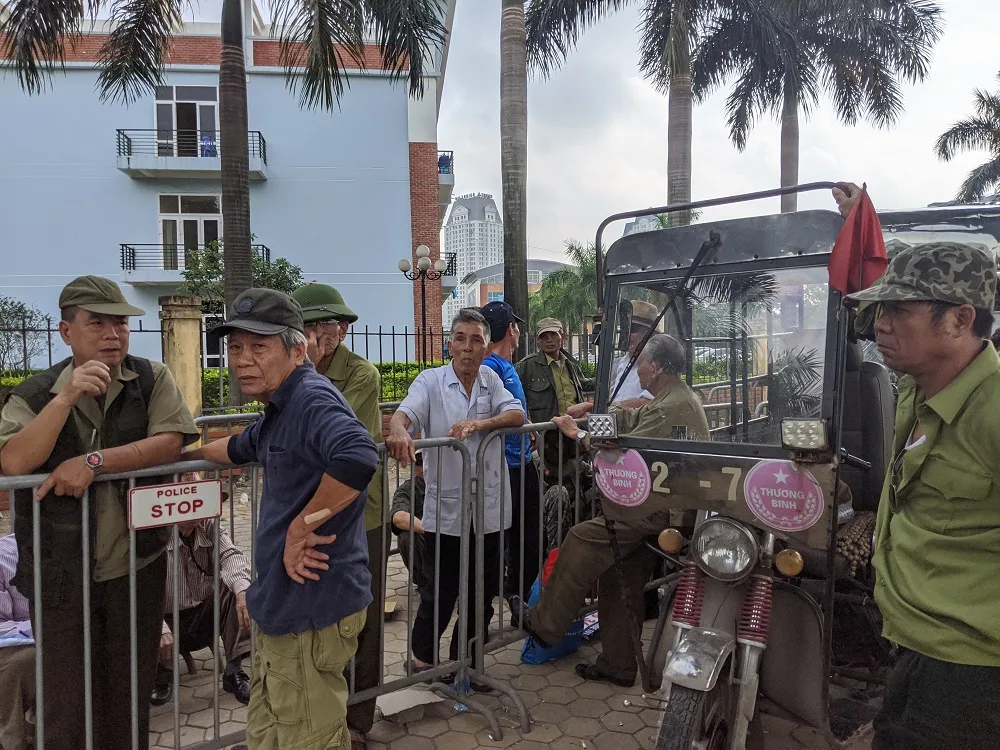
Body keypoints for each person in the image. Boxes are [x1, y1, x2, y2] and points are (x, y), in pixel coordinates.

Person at [0, 276, 199, 750]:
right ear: (66, 331)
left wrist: (94, 462)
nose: (113, 334)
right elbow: (14, 462)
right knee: (65, 702)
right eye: (98, 323)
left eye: (121, 323)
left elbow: (170, 441)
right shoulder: (35, 393)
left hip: (136, 566)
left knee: (127, 696)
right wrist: (65, 398)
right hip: (59, 573)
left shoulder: (149, 378)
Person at [185, 288, 378, 750]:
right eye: (235, 347)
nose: (242, 360)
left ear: (297, 350)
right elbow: (240, 446)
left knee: (309, 738)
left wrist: (301, 526)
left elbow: (358, 455)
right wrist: (180, 456)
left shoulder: (311, 398)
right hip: (282, 609)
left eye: (259, 346)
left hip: (312, 609)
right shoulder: (281, 406)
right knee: (269, 733)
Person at [844, 241, 1000, 750]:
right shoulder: (917, 385)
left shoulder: (992, 411)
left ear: (960, 319)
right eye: (880, 310)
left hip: (970, 668)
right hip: (911, 637)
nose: (880, 326)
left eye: (898, 311)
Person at [524, 334, 709, 687]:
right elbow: (635, 416)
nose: (637, 369)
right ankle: (618, 664)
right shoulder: (677, 398)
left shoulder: (671, 406)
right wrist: (594, 410)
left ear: (655, 368)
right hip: (662, 505)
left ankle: (544, 625)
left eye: (642, 363)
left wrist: (576, 433)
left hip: (658, 510)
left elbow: (627, 453)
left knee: (580, 539)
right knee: (618, 577)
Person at [385, 308, 524, 671]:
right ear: (449, 345)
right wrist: (398, 429)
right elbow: (406, 414)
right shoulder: (431, 381)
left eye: (476, 340)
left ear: (485, 347)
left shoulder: (491, 379)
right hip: (447, 508)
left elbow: (517, 415)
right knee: (441, 591)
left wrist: (479, 424)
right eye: (460, 339)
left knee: (483, 592)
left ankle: (466, 661)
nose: (467, 348)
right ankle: (421, 660)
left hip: (490, 507)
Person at [292, 282, 385, 747]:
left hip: (358, 515)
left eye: (334, 324)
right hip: (304, 513)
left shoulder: (361, 375)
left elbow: (341, 444)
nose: (330, 333)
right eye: (316, 324)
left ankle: (357, 718)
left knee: (361, 618)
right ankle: (315, 714)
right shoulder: (286, 372)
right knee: (315, 618)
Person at [152, 476, 252, 707]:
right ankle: (160, 677)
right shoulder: (156, 534)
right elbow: (139, 590)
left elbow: (231, 555)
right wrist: (159, 627)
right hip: (165, 617)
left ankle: (234, 671)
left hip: (203, 614)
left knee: (238, 588)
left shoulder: (208, 525)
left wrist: (242, 591)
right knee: (141, 613)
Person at [480, 301, 542, 624]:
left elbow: (511, 406)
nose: (518, 331)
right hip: (504, 467)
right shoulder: (490, 367)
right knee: (506, 538)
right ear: (510, 330)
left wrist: (527, 423)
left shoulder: (504, 365)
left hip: (521, 462)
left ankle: (518, 595)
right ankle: (495, 605)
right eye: (516, 326)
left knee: (527, 536)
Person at [516, 317, 594, 482]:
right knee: (549, 486)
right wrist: (528, 426)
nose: (549, 340)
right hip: (547, 440)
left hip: (574, 435)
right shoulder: (527, 366)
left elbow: (584, 385)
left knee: (577, 483)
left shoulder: (571, 364)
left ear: (562, 337)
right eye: (544, 336)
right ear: (538, 341)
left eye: (553, 335)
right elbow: (515, 398)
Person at [0, 534, 34, 750]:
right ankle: (12, 743)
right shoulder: (4, 555)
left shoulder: (84, 544)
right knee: (18, 664)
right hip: (18, 642)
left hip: (74, 634)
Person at [610, 299, 660, 406]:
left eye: (632, 329)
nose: (627, 334)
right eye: (625, 328)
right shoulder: (620, 363)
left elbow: (649, 402)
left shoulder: (656, 367)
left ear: (648, 333)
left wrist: (611, 408)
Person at [390, 450, 427, 589]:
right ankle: (426, 584)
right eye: (419, 462)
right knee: (407, 536)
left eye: (426, 461)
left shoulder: (454, 483)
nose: (424, 467)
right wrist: (432, 531)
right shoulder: (408, 489)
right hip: (428, 538)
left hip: (455, 539)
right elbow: (399, 517)